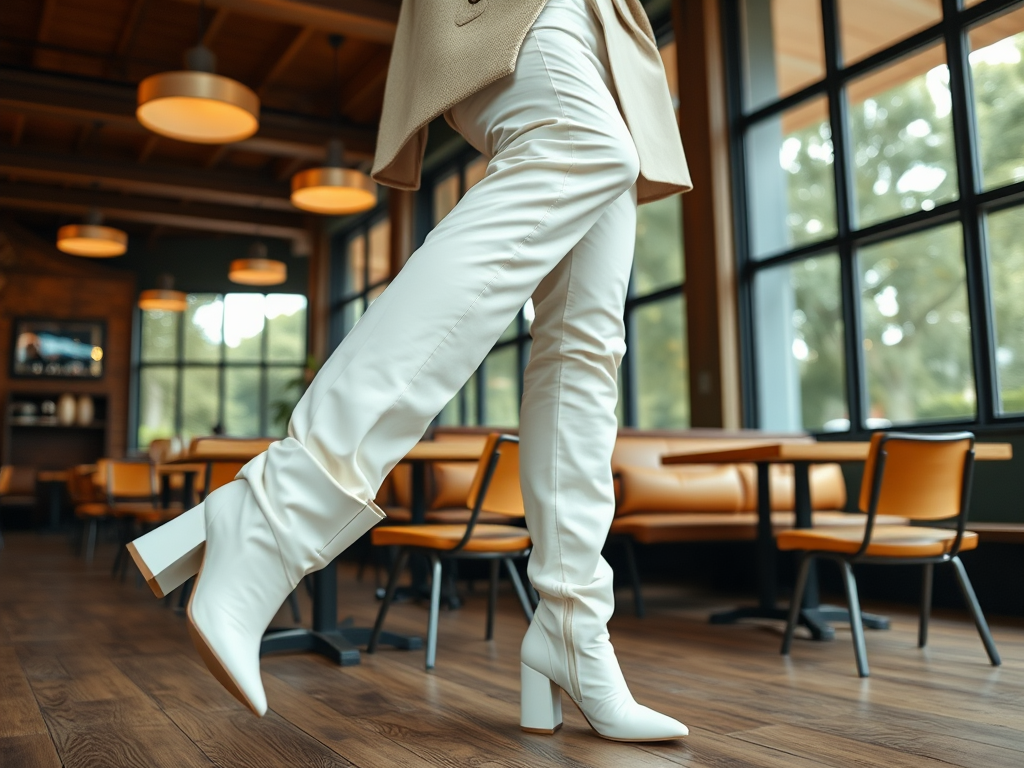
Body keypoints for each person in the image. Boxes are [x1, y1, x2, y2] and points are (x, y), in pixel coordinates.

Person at [128, 0, 691, 743]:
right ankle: (279, 507)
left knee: (586, 340)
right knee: (578, 145)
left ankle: (572, 628)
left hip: (613, 32)